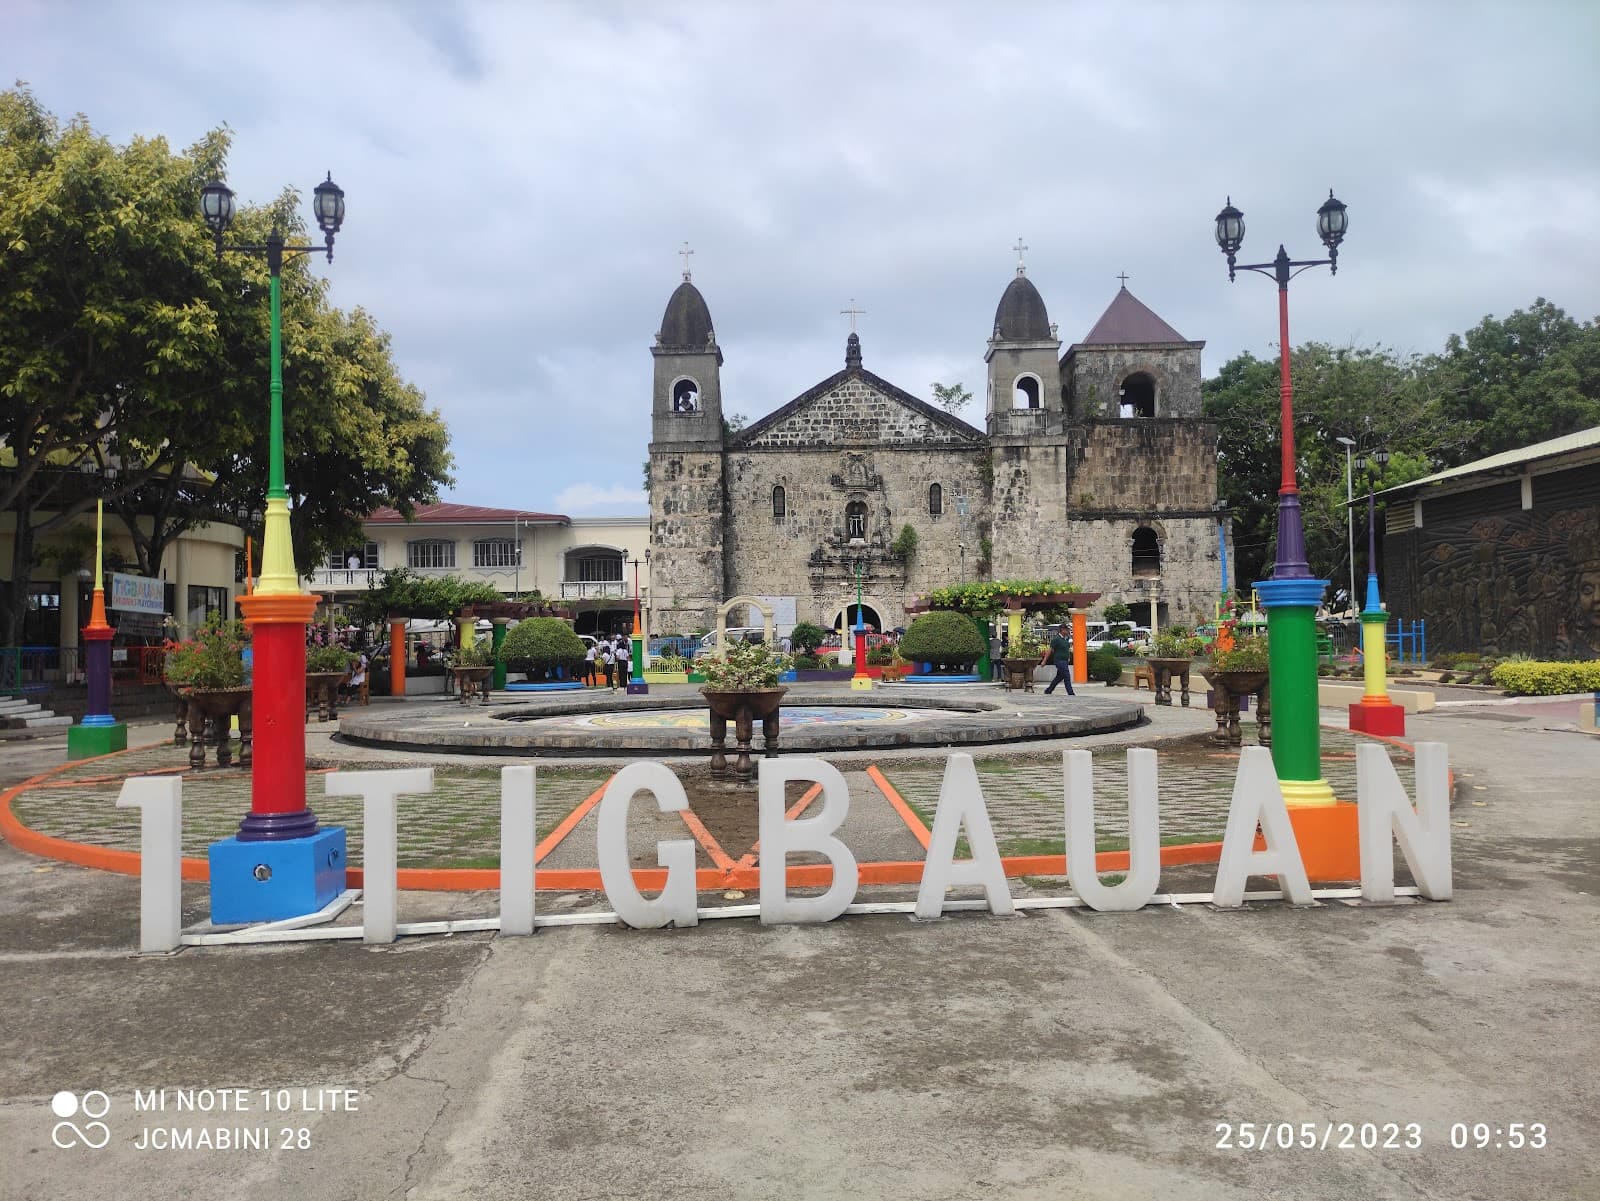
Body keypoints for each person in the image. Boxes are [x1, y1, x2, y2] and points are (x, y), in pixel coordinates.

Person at [1042, 622, 1076, 696]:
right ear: (1062, 630)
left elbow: (1066, 650)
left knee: (1059, 677)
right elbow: (1050, 650)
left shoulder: (1066, 640)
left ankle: (1048, 690)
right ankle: (1070, 693)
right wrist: (1044, 661)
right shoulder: (1056, 639)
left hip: (1065, 661)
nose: (1068, 631)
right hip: (1059, 661)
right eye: (1067, 629)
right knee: (1067, 676)